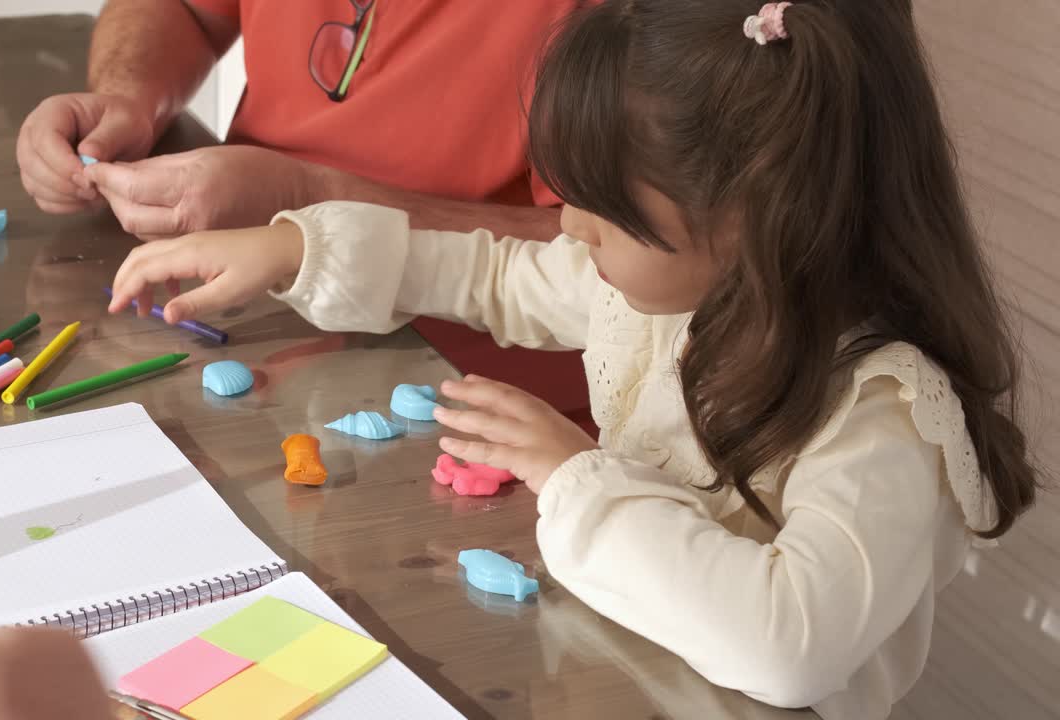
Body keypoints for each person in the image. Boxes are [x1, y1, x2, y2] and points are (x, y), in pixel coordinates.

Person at [105, 2, 1038, 718]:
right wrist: (299, 248)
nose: (567, 224)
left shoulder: (882, 412)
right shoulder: (659, 289)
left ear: (761, 217)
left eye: (601, 207)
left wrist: (571, 474)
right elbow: (492, 274)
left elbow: (787, 645)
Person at [15, 0, 595, 432]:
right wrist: (128, 99)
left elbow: (603, 253)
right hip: (252, 324)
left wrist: (304, 194)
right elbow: (187, 9)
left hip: (473, 389)